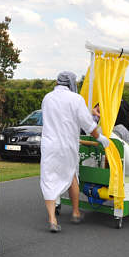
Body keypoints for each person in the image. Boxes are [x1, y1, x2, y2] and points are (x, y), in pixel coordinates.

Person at [40, 71, 110, 232]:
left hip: (49, 145)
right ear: (72, 83)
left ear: (57, 82)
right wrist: (100, 137)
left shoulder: (47, 98)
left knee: (48, 178)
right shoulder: (76, 99)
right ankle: (76, 212)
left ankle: (52, 219)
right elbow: (88, 124)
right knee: (71, 175)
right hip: (67, 145)